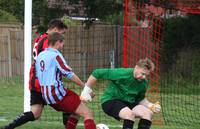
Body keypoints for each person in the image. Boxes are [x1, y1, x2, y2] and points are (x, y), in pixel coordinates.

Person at [1, 19, 76, 129]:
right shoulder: (48, 41)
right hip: (43, 81)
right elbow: (48, 60)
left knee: (35, 113)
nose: (63, 37)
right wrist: (64, 68)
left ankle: (7, 127)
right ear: (55, 30)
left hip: (36, 79)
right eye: (62, 33)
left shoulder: (39, 38)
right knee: (69, 104)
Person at [35, 32, 96, 129]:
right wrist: (85, 87)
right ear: (58, 42)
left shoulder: (40, 55)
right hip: (57, 93)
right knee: (88, 113)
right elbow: (69, 74)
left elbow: (40, 74)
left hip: (46, 95)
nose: (62, 46)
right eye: (62, 43)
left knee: (76, 112)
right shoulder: (56, 55)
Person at [80, 58, 161, 129]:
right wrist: (86, 90)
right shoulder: (122, 73)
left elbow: (140, 99)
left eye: (146, 75)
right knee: (129, 114)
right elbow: (97, 73)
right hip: (110, 101)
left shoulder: (144, 83)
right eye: (143, 74)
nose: (144, 77)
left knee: (148, 113)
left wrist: (151, 106)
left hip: (128, 103)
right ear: (136, 67)